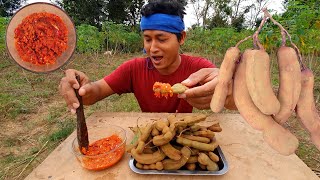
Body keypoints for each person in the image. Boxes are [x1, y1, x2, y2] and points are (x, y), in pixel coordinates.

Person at [59, 0, 220, 114]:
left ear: (182, 37)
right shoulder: (133, 69)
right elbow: (96, 92)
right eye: (148, 39)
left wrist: (223, 83)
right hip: (151, 137)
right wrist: (82, 89)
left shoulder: (198, 68)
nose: (153, 48)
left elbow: (221, 83)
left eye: (162, 39)